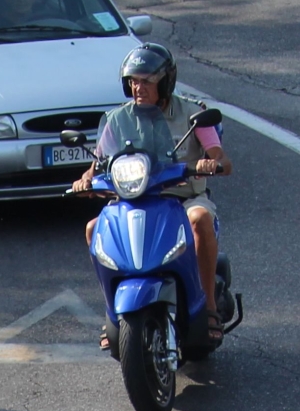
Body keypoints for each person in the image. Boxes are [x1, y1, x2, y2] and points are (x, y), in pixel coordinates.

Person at [67, 44, 230, 347]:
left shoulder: (194, 113)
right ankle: (112, 312)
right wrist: (86, 179)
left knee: (200, 219)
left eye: (146, 80)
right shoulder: (118, 119)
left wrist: (212, 161)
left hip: (183, 198)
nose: (138, 87)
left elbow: (219, 155)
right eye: (133, 81)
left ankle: (207, 306)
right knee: (94, 229)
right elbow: (99, 162)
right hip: (135, 198)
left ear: (165, 82)